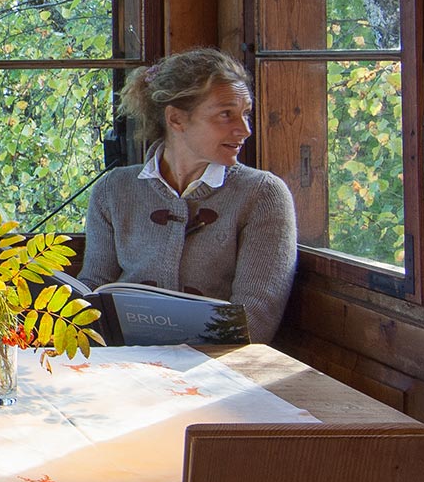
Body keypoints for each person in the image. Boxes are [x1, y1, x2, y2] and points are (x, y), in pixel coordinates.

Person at [77, 47, 297, 343]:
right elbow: (94, 290)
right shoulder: (113, 190)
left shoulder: (262, 195)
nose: (244, 130)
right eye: (225, 114)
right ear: (177, 120)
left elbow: (253, 322)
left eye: (245, 114)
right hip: (120, 365)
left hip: (216, 374)